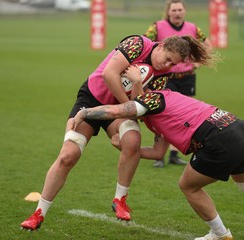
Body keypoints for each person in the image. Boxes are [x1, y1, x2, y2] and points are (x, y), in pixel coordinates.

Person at [20, 34, 214, 230]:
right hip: (92, 99)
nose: (168, 66)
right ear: (161, 45)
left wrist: (137, 83)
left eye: (173, 64)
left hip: (119, 109)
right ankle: (39, 213)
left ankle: (119, 200)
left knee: (132, 141)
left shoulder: (162, 75)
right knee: (67, 157)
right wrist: (126, 106)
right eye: (167, 59)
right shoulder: (138, 44)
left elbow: (141, 107)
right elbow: (109, 74)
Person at [71, 87, 244, 239]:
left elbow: (115, 110)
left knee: (188, 185)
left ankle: (220, 234)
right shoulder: (162, 108)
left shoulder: (152, 100)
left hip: (217, 138)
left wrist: (84, 113)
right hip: (238, 126)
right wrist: (125, 147)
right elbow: (156, 152)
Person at [144, 0, 212, 167]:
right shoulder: (157, 27)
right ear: (168, 12)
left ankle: (174, 154)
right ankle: (158, 156)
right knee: (162, 115)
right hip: (166, 78)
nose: (177, 13)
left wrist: (198, 63)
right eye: (174, 10)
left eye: (180, 10)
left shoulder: (193, 28)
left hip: (187, 77)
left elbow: (207, 44)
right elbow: (146, 44)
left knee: (183, 116)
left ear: (185, 11)